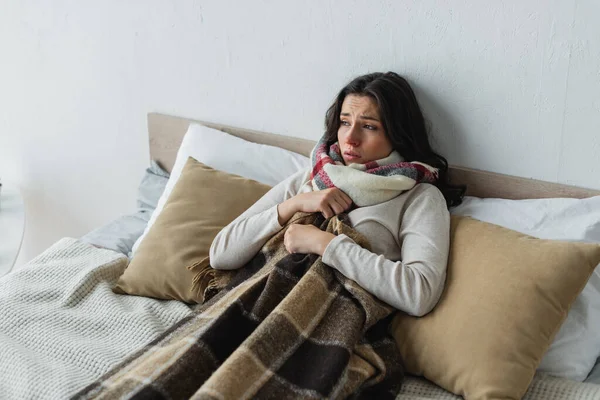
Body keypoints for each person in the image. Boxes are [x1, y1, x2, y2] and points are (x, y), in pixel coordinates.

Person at [209, 72, 463, 317]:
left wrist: (324, 244)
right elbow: (221, 254)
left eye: (369, 126)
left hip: (334, 330)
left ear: (398, 133)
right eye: (344, 122)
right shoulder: (314, 176)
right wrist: (293, 205)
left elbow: (419, 294)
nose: (350, 138)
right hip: (253, 308)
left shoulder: (419, 196)